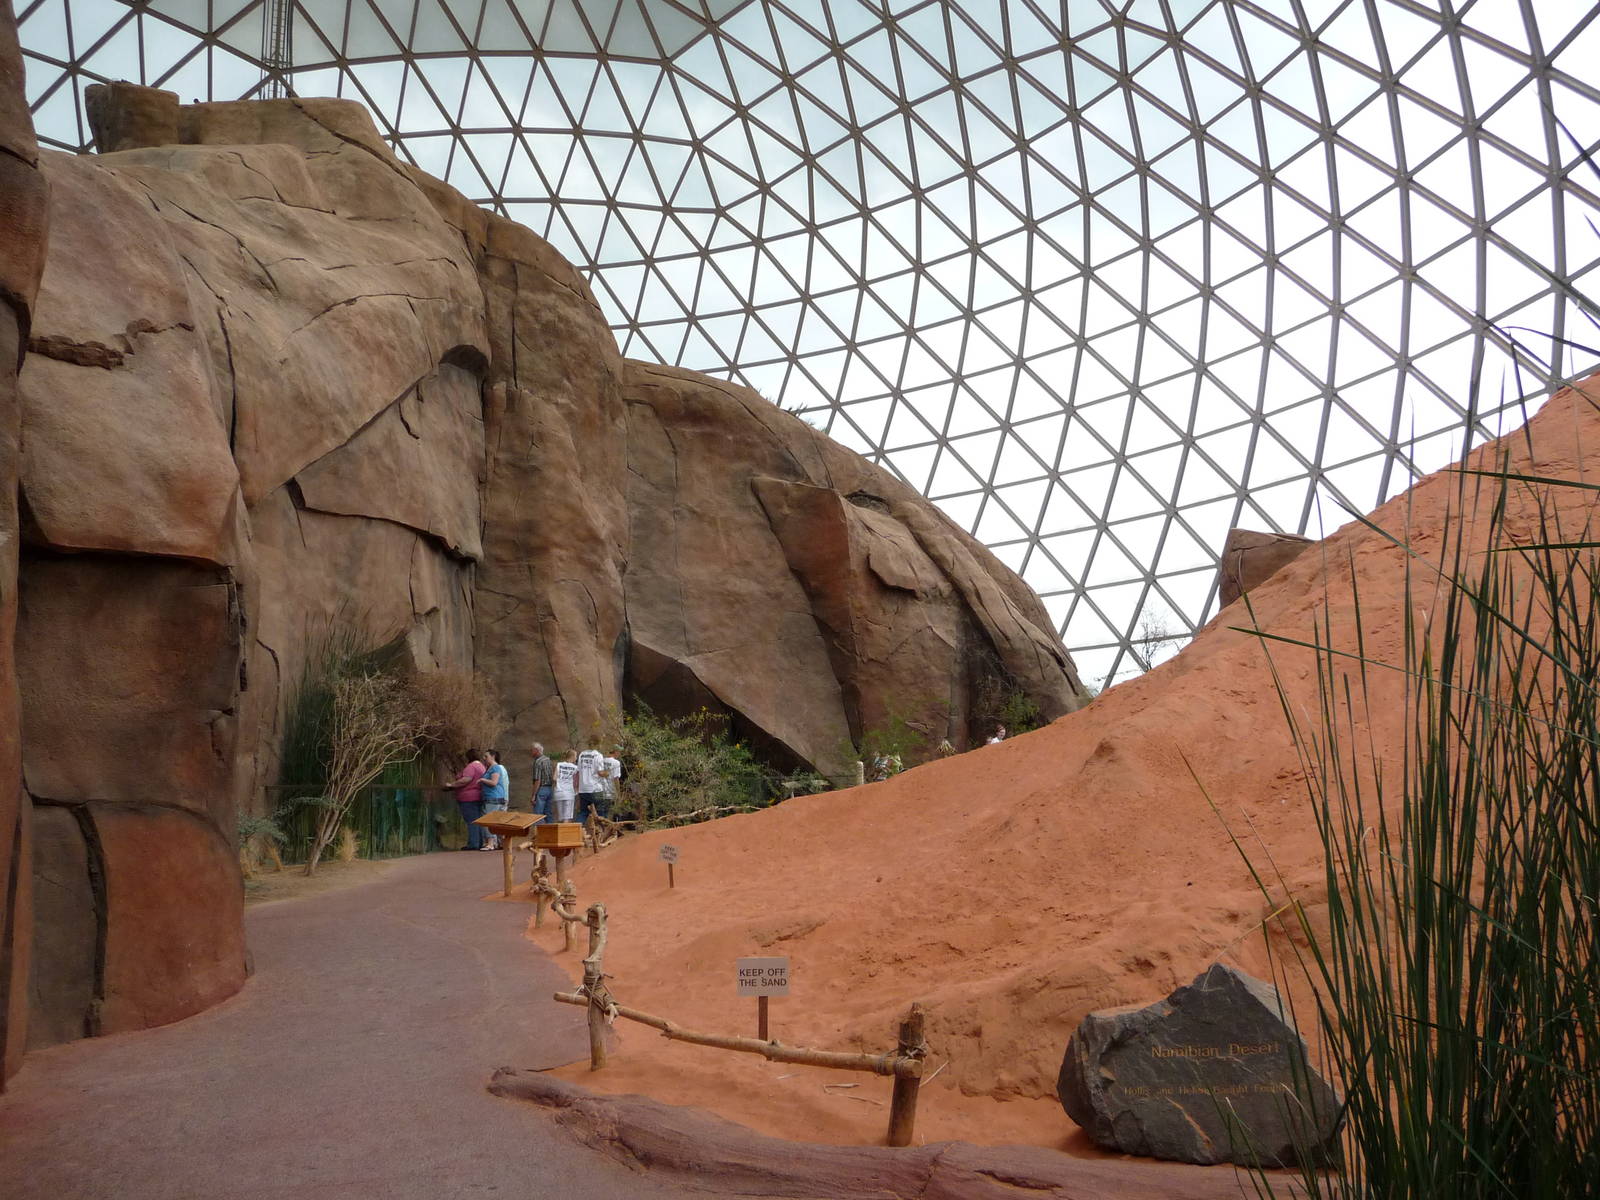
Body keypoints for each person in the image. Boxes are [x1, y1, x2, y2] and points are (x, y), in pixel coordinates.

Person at [443, 749, 487, 850]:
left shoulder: (471, 766)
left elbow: (466, 779)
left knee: (471, 821)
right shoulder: (482, 766)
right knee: (478, 820)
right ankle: (479, 842)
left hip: (468, 797)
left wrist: (452, 784)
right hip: (478, 796)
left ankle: (473, 844)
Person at [479, 749, 509, 851]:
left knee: (488, 820)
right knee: (496, 821)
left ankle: (491, 842)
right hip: (493, 797)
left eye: (486, 756)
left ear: (493, 756)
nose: (484, 758)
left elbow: (494, 782)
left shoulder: (495, 768)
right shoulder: (489, 768)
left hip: (493, 798)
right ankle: (499, 842)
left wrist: (482, 780)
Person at [575, 745, 607, 828]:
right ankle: (601, 831)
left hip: (583, 789)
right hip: (596, 789)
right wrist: (607, 773)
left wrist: (577, 788)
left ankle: (576, 831)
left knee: (583, 812)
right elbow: (600, 772)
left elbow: (578, 772)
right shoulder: (598, 755)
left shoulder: (581, 754)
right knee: (600, 811)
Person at [552, 749, 579, 823]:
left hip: (558, 792)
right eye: (576, 756)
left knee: (560, 817)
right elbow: (576, 782)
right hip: (569, 793)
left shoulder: (559, 764)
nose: (576, 758)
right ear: (572, 756)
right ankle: (564, 834)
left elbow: (554, 778)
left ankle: (558, 833)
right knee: (566, 817)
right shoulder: (575, 768)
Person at [531, 742, 554, 825]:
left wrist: (533, 795)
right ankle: (552, 832)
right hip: (549, 789)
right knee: (548, 813)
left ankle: (539, 834)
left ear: (536, 750)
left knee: (538, 814)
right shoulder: (548, 760)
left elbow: (537, 780)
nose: (531, 752)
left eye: (532, 750)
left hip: (541, 789)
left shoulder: (538, 762)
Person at [601, 746, 623, 814]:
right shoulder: (616, 763)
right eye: (619, 752)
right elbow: (616, 778)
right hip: (610, 792)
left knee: (600, 813)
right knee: (608, 813)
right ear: (615, 752)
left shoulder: (602, 760)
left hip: (600, 791)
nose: (619, 754)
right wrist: (618, 793)